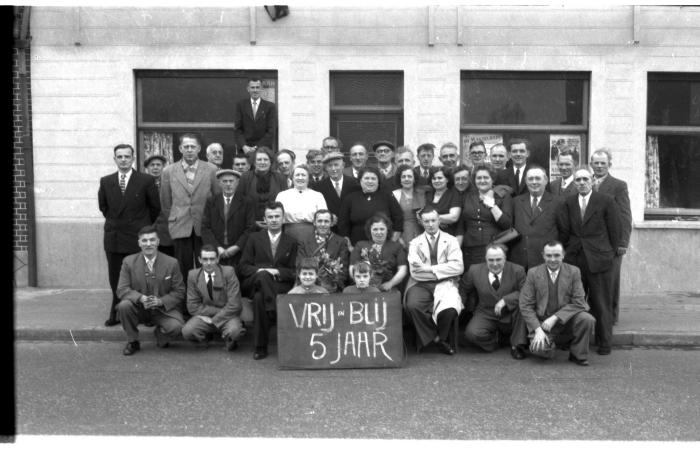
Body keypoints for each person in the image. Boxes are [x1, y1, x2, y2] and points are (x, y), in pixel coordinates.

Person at [558, 167, 621, 356]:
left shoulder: (606, 201)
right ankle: (568, 340)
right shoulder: (568, 203)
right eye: (578, 180)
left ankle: (604, 342)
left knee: (601, 302)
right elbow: (564, 230)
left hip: (599, 259)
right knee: (572, 301)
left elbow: (615, 231)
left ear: (592, 180)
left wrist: (607, 254)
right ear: (574, 183)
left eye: (585, 179)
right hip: (575, 258)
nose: (582, 183)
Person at [99, 144, 161, 326]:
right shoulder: (106, 181)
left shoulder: (146, 180)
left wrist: (141, 227)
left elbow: (155, 208)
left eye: (127, 156)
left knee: (142, 277)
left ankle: (146, 314)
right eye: (120, 157)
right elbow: (104, 208)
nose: (124, 160)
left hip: (137, 237)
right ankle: (117, 312)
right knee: (115, 277)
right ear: (115, 159)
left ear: (133, 159)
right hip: (114, 237)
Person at [515, 241, 596, 366]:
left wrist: (555, 317)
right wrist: (538, 330)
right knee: (540, 350)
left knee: (587, 319)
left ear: (563, 255)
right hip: (543, 323)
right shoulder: (533, 273)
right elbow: (525, 305)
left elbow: (579, 302)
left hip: (567, 320)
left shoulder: (574, 271)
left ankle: (577, 354)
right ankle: (549, 343)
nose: (553, 259)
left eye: (557, 255)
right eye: (549, 256)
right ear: (543, 255)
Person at [239, 201, 298, 360]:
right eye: (270, 216)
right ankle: (272, 310)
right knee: (263, 276)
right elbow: (243, 267)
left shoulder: (291, 241)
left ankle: (260, 347)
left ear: (283, 218)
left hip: (278, 285)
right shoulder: (254, 238)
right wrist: (261, 271)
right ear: (264, 219)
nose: (273, 220)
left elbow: (294, 272)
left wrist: (277, 271)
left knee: (259, 300)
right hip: (255, 282)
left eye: (277, 216)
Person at [116, 226, 185, 356]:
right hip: (139, 308)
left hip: (162, 310)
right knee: (124, 306)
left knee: (177, 327)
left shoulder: (172, 263)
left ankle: (160, 334)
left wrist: (160, 301)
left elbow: (179, 291)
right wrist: (141, 298)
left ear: (158, 242)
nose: (148, 244)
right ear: (139, 243)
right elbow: (122, 289)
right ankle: (133, 341)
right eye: (144, 240)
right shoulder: (128, 262)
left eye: (152, 240)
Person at [404, 207, 464, 355]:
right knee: (412, 305)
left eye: (433, 220)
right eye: (426, 221)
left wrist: (429, 269)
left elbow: (458, 267)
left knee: (449, 309)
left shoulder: (451, 240)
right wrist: (443, 270)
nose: (430, 224)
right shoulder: (415, 243)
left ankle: (442, 337)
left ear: (439, 220)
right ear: (421, 222)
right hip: (421, 284)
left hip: (445, 283)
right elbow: (416, 273)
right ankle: (436, 338)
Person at [160, 133, 220, 281]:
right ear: (180, 148)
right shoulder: (168, 171)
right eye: (186, 146)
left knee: (205, 266)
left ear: (199, 148)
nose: (189, 150)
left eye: (192, 146)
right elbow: (166, 202)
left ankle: (204, 299)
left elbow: (217, 198)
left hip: (204, 226)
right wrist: (175, 218)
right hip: (180, 225)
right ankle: (184, 302)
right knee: (182, 267)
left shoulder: (211, 169)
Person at [590, 148, 632, 325]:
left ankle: (611, 318)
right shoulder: (585, 182)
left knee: (610, 281)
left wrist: (622, 242)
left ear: (609, 165)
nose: (599, 166)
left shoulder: (618, 185)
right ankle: (593, 316)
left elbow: (625, 215)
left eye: (603, 163)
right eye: (596, 163)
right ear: (591, 164)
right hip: (591, 242)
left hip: (611, 242)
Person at [460, 243, 526, 353]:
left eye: (498, 259)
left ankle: (517, 346)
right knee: (472, 334)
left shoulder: (518, 270)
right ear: (485, 259)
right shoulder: (474, 270)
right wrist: (460, 302)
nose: (495, 264)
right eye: (490, 260)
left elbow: (526, 292)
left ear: (505, 258)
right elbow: (463, 288)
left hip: (511, 312)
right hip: (486, 312)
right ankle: (498, 341)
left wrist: (506, 300)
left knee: (523, 309)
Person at [182, 245, 246, 351]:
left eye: (212, 259)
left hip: (227, 316)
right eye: (205, 259)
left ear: (217, 259)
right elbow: (192, 306)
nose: (208, 263)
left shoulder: (228, 272)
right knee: (187, 331)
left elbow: (235, 305)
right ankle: (204, 338)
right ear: (199, 260)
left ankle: (229, 339)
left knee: (235, 331)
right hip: (205, 317)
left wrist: (214, 320)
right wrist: (211, 315)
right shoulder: (193, 275)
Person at [456, 165, 514, 270]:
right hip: (470, 250)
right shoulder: (467, 196)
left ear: (492, 179)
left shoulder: (503, 196)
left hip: (495, 248)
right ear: (474, 180)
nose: (482, 180)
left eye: (486, 177)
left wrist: (492, 206)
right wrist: (456, 248)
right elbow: (461, 226)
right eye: (479, 178)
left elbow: (507, 224)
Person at [200, 169, 256, 270]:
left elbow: (250, 228)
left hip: (240, 251)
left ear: (237, 182)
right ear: (219, 183)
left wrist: (237, 247)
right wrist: (217, 248)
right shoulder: (211, 202)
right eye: (224, 181)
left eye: (231, 181)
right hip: (217, 252)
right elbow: (205, 228)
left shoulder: (247, 202)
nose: (228, 184)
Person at [510, 167, 562, 271]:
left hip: (546, 260)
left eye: (538, 178)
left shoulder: (558, 202)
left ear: (546, 180)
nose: (534, 182)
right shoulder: (516, 202)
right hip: (520, 261)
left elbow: (563, 232)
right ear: (525, 181)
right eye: (530, 179)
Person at [338, 167, 403, 246]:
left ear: (378, 181)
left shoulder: (387, 197)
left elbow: (399, 220)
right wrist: (349, 246)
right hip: (357, 246)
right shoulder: (350, 198)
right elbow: (343, 224)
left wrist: (391, 243)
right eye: (366, 178)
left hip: (384, 246)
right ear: (360, 180)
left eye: (373, 178)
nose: (370, 181)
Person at [349, 214, 408, 292]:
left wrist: (390, 283)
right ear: (370, 230)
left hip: (389, 288)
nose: (379, 232)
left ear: (388, 229)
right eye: (375, 229)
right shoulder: (360, 245)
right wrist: (362, 282)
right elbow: (352, 268)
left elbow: (403, 269)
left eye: (382, 229)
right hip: (363, 288)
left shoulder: (397, 246)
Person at [296, 209, 349, 293]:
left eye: (326, 221)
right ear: (314, 222)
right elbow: (299, 265)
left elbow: (343, 269)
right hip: (309, 285)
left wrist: (333, 284)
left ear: (331, 223)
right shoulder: (304, 242)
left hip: (332, 287)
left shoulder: (341, 242)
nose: (323, 224)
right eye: (320, 221)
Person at [275, 164, 328, 242]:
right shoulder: (282, 195)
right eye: (297, 175)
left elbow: (324, 217)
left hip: (312, 235)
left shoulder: (317, 195)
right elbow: (276, 216)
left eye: (303, 175)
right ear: (292, 178)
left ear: (308, 178)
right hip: (288, 234)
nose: (300, 178)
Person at [237, 146, 288, 221]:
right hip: (250, 223)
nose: (262, 162)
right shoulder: (245, 177)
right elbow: (240, 202)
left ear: (270, 161)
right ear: (254, 162)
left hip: (274, 222)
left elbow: (285, 203)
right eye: (259, 159)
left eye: (265, 159)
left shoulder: (280, 178)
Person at [312, 151, 361, 225]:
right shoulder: (319, 187)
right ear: (326, 168)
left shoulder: (354, 184)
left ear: (343, 165)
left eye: (336, 165)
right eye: (330, 166)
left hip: (351, 227)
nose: (333, 169)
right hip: (330, 229)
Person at [233, 76, 276, 154]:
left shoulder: (270, 106)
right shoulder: (241, 105)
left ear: (261, 89)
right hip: (245, 151)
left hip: (263, 150)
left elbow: (271, 131)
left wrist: (257, 148)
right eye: (252, 87)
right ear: (248, 89)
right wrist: (244, 146)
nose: (255, 90)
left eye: (257, 87)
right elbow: (237, 129)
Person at [144, 154, 174, 257]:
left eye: (158, 165)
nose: (155, 167)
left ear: (163, 167)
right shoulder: (141, 184)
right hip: (147, 229)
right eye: (152, 165)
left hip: (166, 232)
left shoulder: (171, 184)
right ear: (147, 168)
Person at [392, 164, 426, 247]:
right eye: (403, 177)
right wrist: (398, 238)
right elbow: (392, 219)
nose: (406, 179)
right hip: (402, 233)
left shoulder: (422, 193)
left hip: (422, 231)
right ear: (400, 179)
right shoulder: (395, 194)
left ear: (414, 179)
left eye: (409, 176)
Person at [424, 167, 462, 236]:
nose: (436, 181)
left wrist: (429, 218)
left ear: (447, 179)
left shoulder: (454, 194)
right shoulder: (428, 194)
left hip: (447, 236)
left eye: (440, 178)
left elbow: (454, 217)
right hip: (428, 236)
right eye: (434, 178)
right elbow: (420, 215)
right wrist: (440, 220)